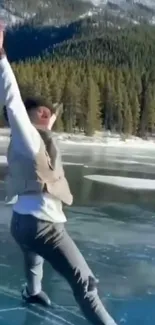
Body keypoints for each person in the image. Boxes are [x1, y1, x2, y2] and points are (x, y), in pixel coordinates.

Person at [0, 28, 117, 325]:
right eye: (46, 113)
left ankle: (33, 291)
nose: (50, 116)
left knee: (32, 256)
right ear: (38, 115)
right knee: (85, 284)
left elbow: (42, 144)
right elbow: (13, 102)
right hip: (43, 226)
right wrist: (1, 56)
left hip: (20, 223)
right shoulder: (28, 138)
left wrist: (47, 123)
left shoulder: (29, 141)